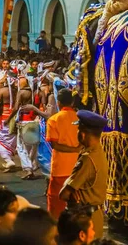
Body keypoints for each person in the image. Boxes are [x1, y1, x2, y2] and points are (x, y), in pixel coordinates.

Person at [59, 110, 108, 240]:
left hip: (84, 219)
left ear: (83, 134)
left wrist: (68, 186)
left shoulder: (88, 159)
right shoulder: (98, 152)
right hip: (94, 215)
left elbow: (63, 194)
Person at [46, 89, 81, 219]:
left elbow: (55, 145)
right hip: (78, 168)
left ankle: (56, 229)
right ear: (72, 102)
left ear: (58, 102)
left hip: (60, 168)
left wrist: (73, 150)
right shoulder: (80, 118)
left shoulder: (53, 120)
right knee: (77, 200)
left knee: (57, 202)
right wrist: (77, 150)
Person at [9, 68, 39, 180]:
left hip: (24, 122)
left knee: (21, 147)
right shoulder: (35, 91)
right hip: (35, 121)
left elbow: (16, 107)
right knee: (33, 145)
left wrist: (9, 119)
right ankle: (32, 166)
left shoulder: (21, 92)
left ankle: (28, 168)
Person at [0, 73, 18, 171]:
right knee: (11, 140)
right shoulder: (18, 91)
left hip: (4, 120)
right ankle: (10, 160)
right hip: (15, 119)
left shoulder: (3, 91)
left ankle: (9, 161)